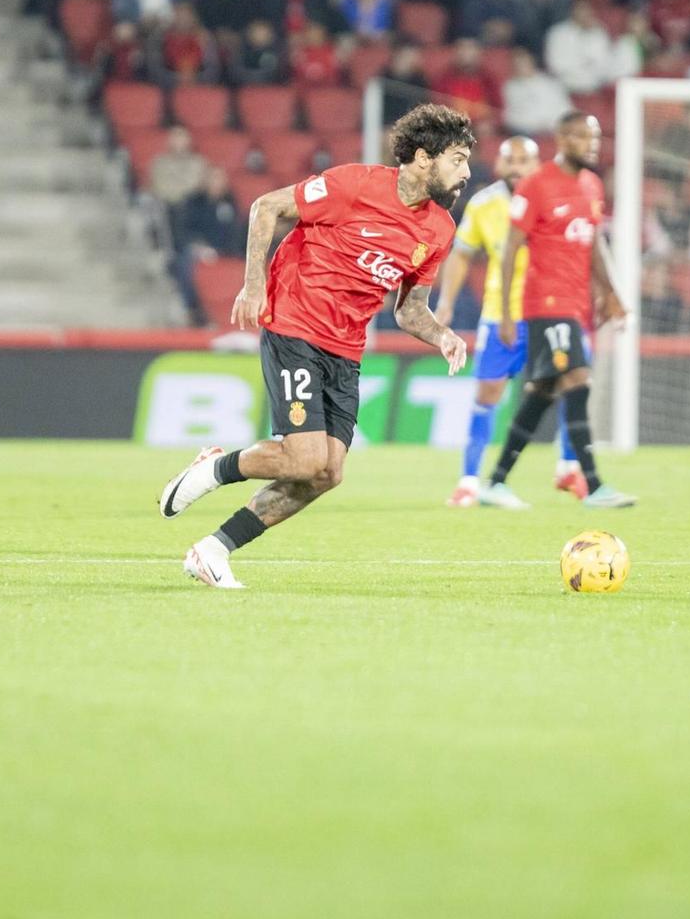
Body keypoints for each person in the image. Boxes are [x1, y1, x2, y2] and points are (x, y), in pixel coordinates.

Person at [156, 104, 474, 589]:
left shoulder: (439, 230)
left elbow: (408, 309)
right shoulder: (356, 185)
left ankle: (213, 549)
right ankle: (215, 469)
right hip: (295, 323)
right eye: (457, 159)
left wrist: (443, 336)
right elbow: (267, 205)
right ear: (424, 159)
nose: (466, 172)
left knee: (327, 473)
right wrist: (254, 284)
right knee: (304, 458)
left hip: (345, 349)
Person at [479, 111, 633, 511]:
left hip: (576, 302)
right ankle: (594, 486)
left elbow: (594, 243)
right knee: (578, 380)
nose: (593, 145)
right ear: (563, 139)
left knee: (543, 390)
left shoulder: (592, 185)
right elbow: (512, 247)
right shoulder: (537, 185)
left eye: (597, 137)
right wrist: (510, 315)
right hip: (546, 303)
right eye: (584, 137)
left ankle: (495, 482)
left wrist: (610, 292)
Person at [433, 136, 584, 507]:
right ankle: (469, 481)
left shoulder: (555, 198)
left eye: (524, 160)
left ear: (538, 164)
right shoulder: (484, 205)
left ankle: (567, 468)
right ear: (499, 166)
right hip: (500, 317)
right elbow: (463, 254)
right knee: (488, 395)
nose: (517, 167)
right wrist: (447, 304)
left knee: (574, 383)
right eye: (510, 160)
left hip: (550, 312)